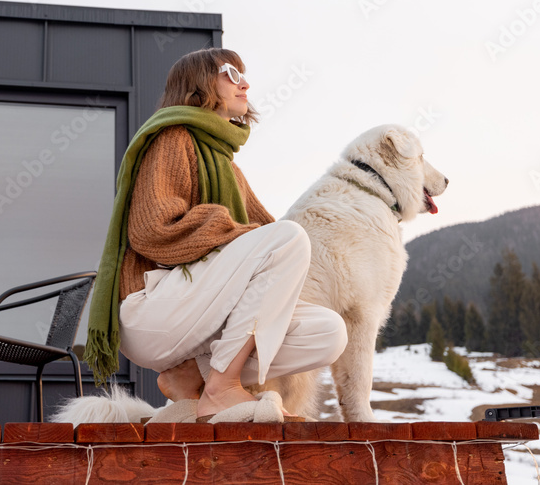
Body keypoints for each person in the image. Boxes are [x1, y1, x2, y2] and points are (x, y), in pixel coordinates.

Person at [83, 48, 347, 421]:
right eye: (230, 73)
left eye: (244, 74)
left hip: (202, 316)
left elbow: (266, 238)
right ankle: (222, 388)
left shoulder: (228, 166)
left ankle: (190, 376)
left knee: (329, 333)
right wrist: (235, 231)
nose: (245, 83)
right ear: (199, 83)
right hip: (153, 308)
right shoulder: (172, 138)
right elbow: (150, 230)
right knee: (288, 239)